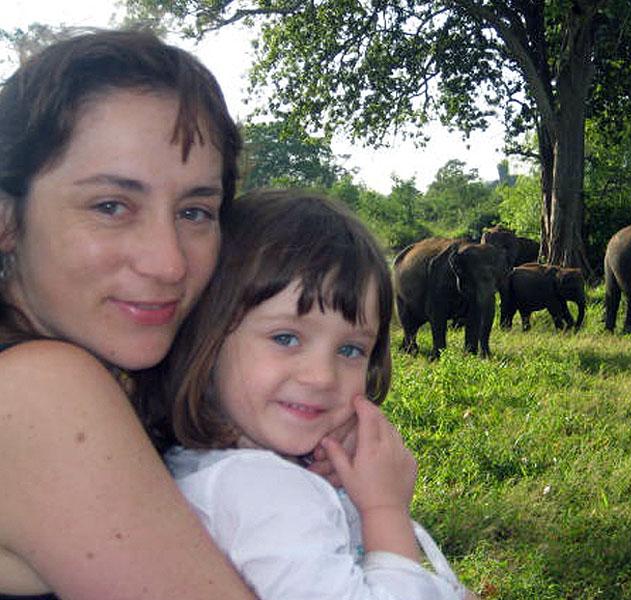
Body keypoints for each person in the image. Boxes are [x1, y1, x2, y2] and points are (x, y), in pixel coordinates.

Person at [0, 29, 344, 599]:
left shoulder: (117, 382)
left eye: (195, 211)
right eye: (111, 206)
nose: (168, 263)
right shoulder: (40, 388)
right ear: (8, 219)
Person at [158, 189, 475, 600]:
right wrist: (384, 511)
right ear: (205, 338)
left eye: (350, 349)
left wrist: (339, 488)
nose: (323, 377)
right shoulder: (265, 490)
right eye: (286, 337)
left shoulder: (201, 467)